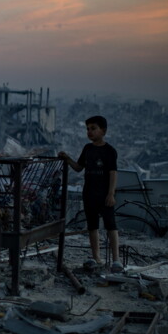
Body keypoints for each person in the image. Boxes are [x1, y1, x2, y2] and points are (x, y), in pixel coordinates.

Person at [59, 115, 122, 273]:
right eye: (88, 129)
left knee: (110, 226)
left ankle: (116, 260)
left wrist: (111, 193)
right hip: (89, 194)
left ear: (103, 131)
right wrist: (67, 158)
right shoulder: (87, 149)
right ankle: (96, 258)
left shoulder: (109, 151)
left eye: (93, 128)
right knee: (92, 227)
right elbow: (79, 168)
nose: (89, 132)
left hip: (104, 194)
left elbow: (113, 173)